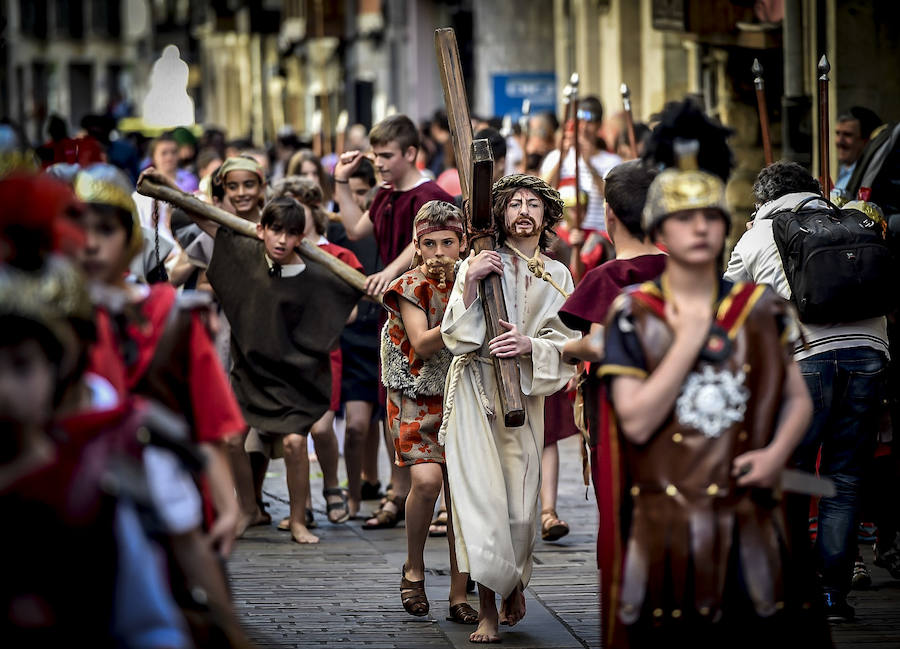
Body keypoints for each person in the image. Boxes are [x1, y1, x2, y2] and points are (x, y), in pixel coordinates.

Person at [598, 140, 828, 647]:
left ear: (727, 226)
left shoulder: (762, 308)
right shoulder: (633, 314)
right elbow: (634, 421)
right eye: (683, 218)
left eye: (710, 216)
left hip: (750, 513)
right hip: (668, 522)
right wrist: (688, 339)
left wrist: (774, 455)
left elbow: (797, 400)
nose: (699, 228)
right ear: (658, 230)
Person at [725, 160, 889, 621]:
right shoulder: (854, 221)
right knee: (845, 478)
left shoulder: (758, 233)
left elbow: (729, 306)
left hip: (804, 363)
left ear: (762, 200)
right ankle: (836, 595)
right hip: (869, 354)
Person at [74, 163, 245, 556]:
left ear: (129, 237)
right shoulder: (52, 319)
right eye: (81, 229)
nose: (91, 244)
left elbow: (209, 420)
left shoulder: (173, 315)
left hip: (167, 498)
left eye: (106, 230)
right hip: (78, 497)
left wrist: (227, 506)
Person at [440, 174, 579, 643]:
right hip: (475, 392)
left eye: (533, 205)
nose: (524, 211)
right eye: (514, 204)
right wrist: (471, 282)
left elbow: (570, 342)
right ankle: (487, 611)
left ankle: (513, 581)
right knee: (482, 506)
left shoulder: (558, 275)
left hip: (524, 397)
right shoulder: (476, 264)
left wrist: (529, 346)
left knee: (521, 511)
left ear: (546, 216)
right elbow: (455, 337)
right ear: (499, 214)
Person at [183, 195, 362, 544]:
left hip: (298, 377)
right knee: (233, 439)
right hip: (251, 371)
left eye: (291, 233)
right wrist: (171, 190)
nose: (282, 240)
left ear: (301, 237)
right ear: (261, 229)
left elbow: (348, 309)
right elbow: (210, 224)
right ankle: (248, 508)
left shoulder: (314, 271)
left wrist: (363, 288)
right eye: (275, 230)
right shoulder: (248, 256)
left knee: (296, 443)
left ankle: (298, 521)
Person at [333, 114, 454, 529]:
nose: (379, 164)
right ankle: (398, 492)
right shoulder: (384, 194)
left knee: (438, 406)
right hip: (396, 319)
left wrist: (391, 272)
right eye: (376, 155)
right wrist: (339, 183)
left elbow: (421, 246)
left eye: (386, 156)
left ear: (410, 153)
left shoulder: (431, 194)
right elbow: (354, 227)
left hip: (429, 310)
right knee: (397, 406)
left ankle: (439, 502)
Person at [557, 160, 666, 541]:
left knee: (623, 516)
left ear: (609, 215)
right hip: (678, 407)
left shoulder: (607, 277)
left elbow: (600, 344)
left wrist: (568, 349)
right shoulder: (682, 270)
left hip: (620, 409)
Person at [381, 200, 476, 624]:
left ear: (462, 243)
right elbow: (421, 344)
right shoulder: (408, 286)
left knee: (462, 491)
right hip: (415, 394)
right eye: (430, 244)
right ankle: (413, 568)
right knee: (426, 479)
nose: (439, 252)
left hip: (463, 393)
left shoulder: (472, 280)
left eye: (448, 243)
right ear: (416, 247)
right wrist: (468, 320)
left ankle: (459, 591)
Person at [541, 96, 622, 233]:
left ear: (599, 125)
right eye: (580, 121)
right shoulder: (556, 156)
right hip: (563, 236)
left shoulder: (613, 160)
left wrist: (589, 164)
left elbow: (613, 198)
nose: (584, 127)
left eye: (590, 122)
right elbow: (539, 189)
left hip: (598, 235)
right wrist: (562, 157)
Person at [833, 106, 882, 200]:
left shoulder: (871, 179)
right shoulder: (844, 170)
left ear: (867, 140)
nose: (839, 141)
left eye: (847, 135)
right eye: (837, 133)